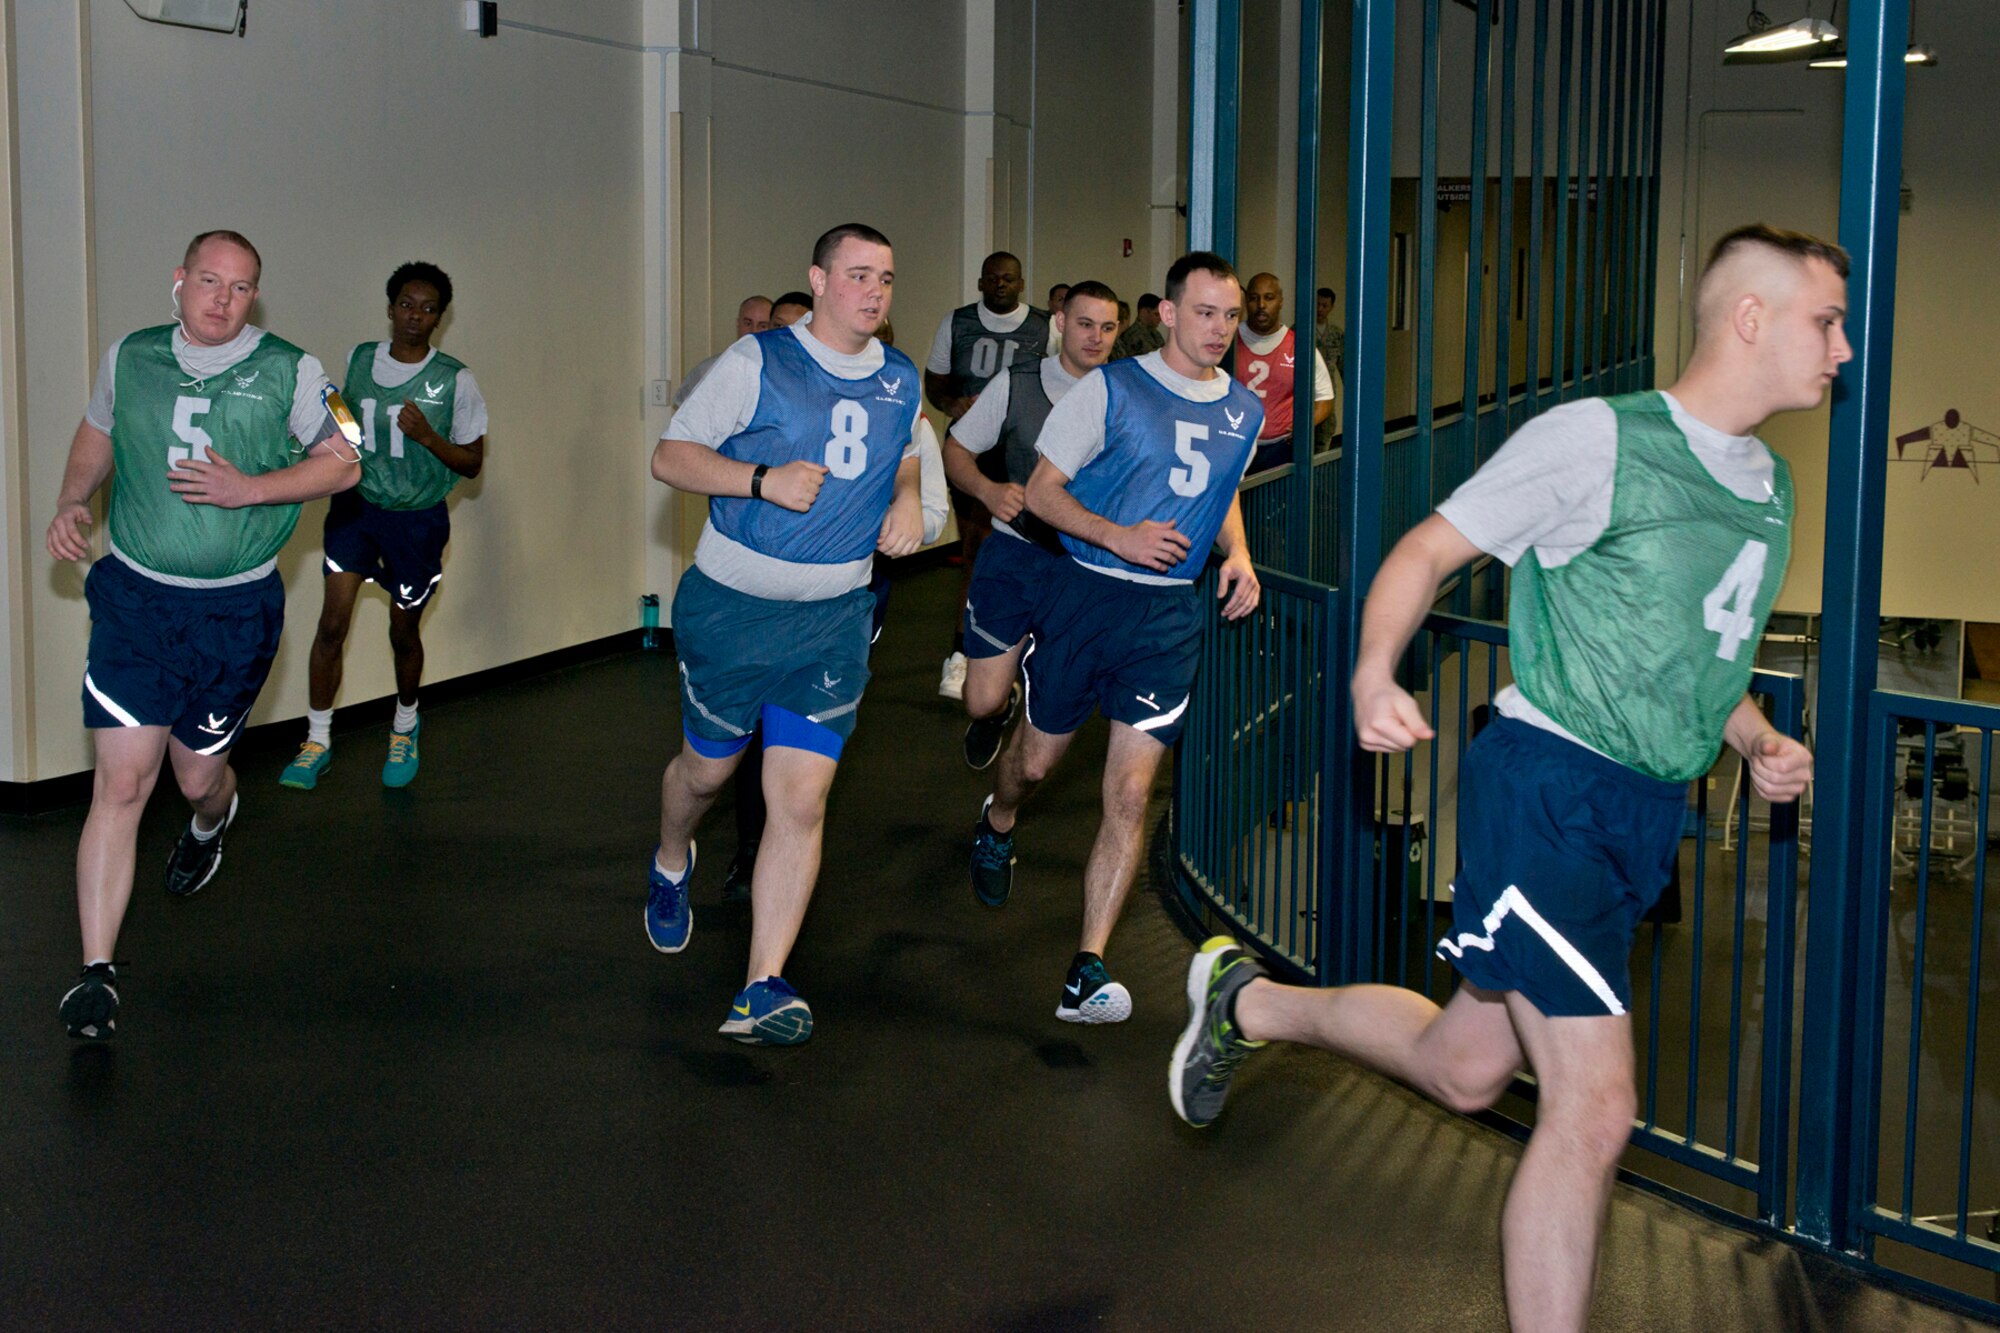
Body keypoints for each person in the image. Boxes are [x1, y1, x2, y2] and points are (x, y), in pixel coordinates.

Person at [1169, 223, 1840, 1332]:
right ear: (1750, 318)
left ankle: (1247, 1000)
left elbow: (1691, 657)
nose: (1843, 348)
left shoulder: (1767, 486)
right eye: (1825, 319)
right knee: (1593, 1108)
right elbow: (1428, 548)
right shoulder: (1598, 440)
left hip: (1636, 814)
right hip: (1547, 789)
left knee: (1464, 1068)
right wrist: (1372, 675)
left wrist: (1753, 738)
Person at [47, 230, 361, 1039]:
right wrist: (73, 498)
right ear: (178, 282)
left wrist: (250, 487)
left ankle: (213, 818)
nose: (224, 298)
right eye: (210, 281)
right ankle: (96, 974)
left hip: (234, 614)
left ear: (256, 296)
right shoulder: (130, 356)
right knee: (121, 783)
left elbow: (345, 460)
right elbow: (97, 432)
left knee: (194, 778)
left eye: (243, 286)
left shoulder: (296, 370)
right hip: (137, 603)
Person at [646, 222, 926, 1045]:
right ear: (819, 277)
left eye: (887, 278)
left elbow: (905, 447)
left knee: (798, 803)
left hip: (835, 618)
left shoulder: (901, 377)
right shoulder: (759, 361)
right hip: (734, 609)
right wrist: (759, 479)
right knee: (705, 773)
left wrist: (908, 494)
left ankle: (760, 986)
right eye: (859, 275)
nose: (874, 292)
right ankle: (670, 859)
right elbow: (671, 457)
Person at [968, 253, 1262, 1023]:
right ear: (1166, 315)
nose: (1219, 330)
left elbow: (1223, 488)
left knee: (1129, 793)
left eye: (1229, 317)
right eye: (1204, 312)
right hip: (1085, 596)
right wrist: (1119, 537)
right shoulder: (1110, 389)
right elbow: (1040, 492)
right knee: (1034, 763)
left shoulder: (1243, 408)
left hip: (1167, 618)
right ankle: (998, 821)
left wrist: (1242, 555)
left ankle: (1087, 966)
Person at [717, 314, 949, 902]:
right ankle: (750, 845)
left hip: (847, 598)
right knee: (751, 724)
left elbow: (930, 511)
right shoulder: (773, 404)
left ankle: (777, 842)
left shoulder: (907, 420)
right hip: (755, 598)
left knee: (793, 733)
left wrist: (902, 518)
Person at [281, 262, 488, 791]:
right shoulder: (359, 359)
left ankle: (403, 725)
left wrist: (426, 436)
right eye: (406, 305)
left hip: (416, 520)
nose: (415, 317)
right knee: (332, 624)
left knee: (403, 631)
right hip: (357, 508)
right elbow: (344, 425)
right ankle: (317, 740)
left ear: (441, 316)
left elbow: (470, 463)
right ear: (390, 306)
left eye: (427, 308)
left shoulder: (455, 379)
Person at [945, 280, 1121, 771]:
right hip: (1018, 552)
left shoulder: (1127, 391)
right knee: (980, 700)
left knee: (1056, 715)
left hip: (1085, 565)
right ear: (1060, 323)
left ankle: (1011, 797)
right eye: (1085, 324)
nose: (1096, 337)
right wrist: (986, 490)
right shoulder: (1017, 382)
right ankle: (998, 710)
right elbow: (957, 450)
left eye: (1107, 327)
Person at [924, 251, 1052, 702]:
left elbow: (1060, 381)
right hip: (975, 455)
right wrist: (951, 404)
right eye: (993, 279)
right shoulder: (956, 323)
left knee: (1038, 555)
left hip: (1027, 454)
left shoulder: (1044, 326)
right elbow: (935, 381)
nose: (1000, 285)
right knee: (977, 553)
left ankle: (1024, 656)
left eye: (1009, 279)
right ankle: (961, 655)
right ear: (981, 283)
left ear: (1021, 283)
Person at [1234, 273, 1335, 475]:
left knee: (1275, 505)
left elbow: (1324, 397)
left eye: (1269, 298)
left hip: (1279, 449)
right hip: (1235, 446)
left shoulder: (1299, 346)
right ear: (1246, 302)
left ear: (1280, 301)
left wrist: (1304, 424)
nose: (1261, 305)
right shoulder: (1228, 341)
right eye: (1254, 298)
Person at [677, 295, 775, 408]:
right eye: (748, 323)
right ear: (738, 324)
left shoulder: (782, 374)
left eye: (762, 326)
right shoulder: (708, 370)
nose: (753, 331)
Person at [1314, 286, 1345, 450]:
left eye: (1324, 305)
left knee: (1323, 442)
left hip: (1327, 397)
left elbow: (1344, 367)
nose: (1320, 309)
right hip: (1304, 397)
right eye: (1317, 304)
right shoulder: (1299, 331)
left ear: (1331, 307)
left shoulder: (1336, 334)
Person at [1113, 293, 1166, 360]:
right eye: (1156, 314)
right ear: (1144, 312)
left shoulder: (1155, 333)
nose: (1160, 318)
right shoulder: (1133, 334)